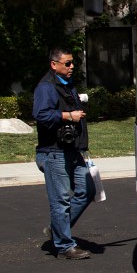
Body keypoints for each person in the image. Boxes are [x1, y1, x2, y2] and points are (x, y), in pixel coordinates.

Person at [33, 48, 95, 260]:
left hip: (71, 150)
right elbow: (40, 114)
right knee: (60, 200)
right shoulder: (46, 87)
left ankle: (57, 229)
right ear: (54, 64)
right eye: (67, 63)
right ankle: (65, 246)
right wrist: (69, 115)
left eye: (71, 63)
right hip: (54, 152)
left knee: (87, 190)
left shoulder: (66, 86)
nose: (71, 67)